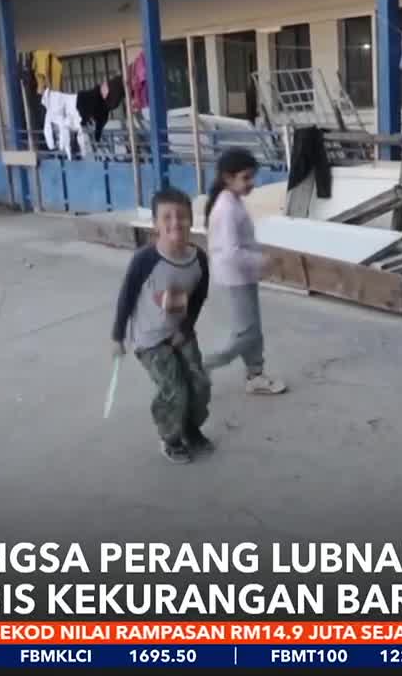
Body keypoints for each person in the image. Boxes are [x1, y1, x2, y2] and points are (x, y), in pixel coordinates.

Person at [111, 188, 213, 464]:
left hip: (180, 332)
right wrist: (117, 336)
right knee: (174, 389)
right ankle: (171, 438)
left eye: (181, 216)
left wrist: (185, 329)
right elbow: (127, 295)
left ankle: (191, 428)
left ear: (191, 220)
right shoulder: (146, 260)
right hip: (150, 340)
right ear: (155, 224)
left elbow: (199, 298)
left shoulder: (199, 259)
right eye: (166, 217)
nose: (174, 223)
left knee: (199, 384)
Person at [202, 148, 287, 395]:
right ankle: (202, 366)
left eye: (252, 177)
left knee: (253, 330)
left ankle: (255, 375)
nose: (251, 183)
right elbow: (231, 253)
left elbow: (242, 243)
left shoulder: (233, 201)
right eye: (246, 177)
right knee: (244, 335)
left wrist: (258, 259)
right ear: (228, 178)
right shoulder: (226, 208)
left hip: (242, 276)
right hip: (234, 278)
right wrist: (262, 261)